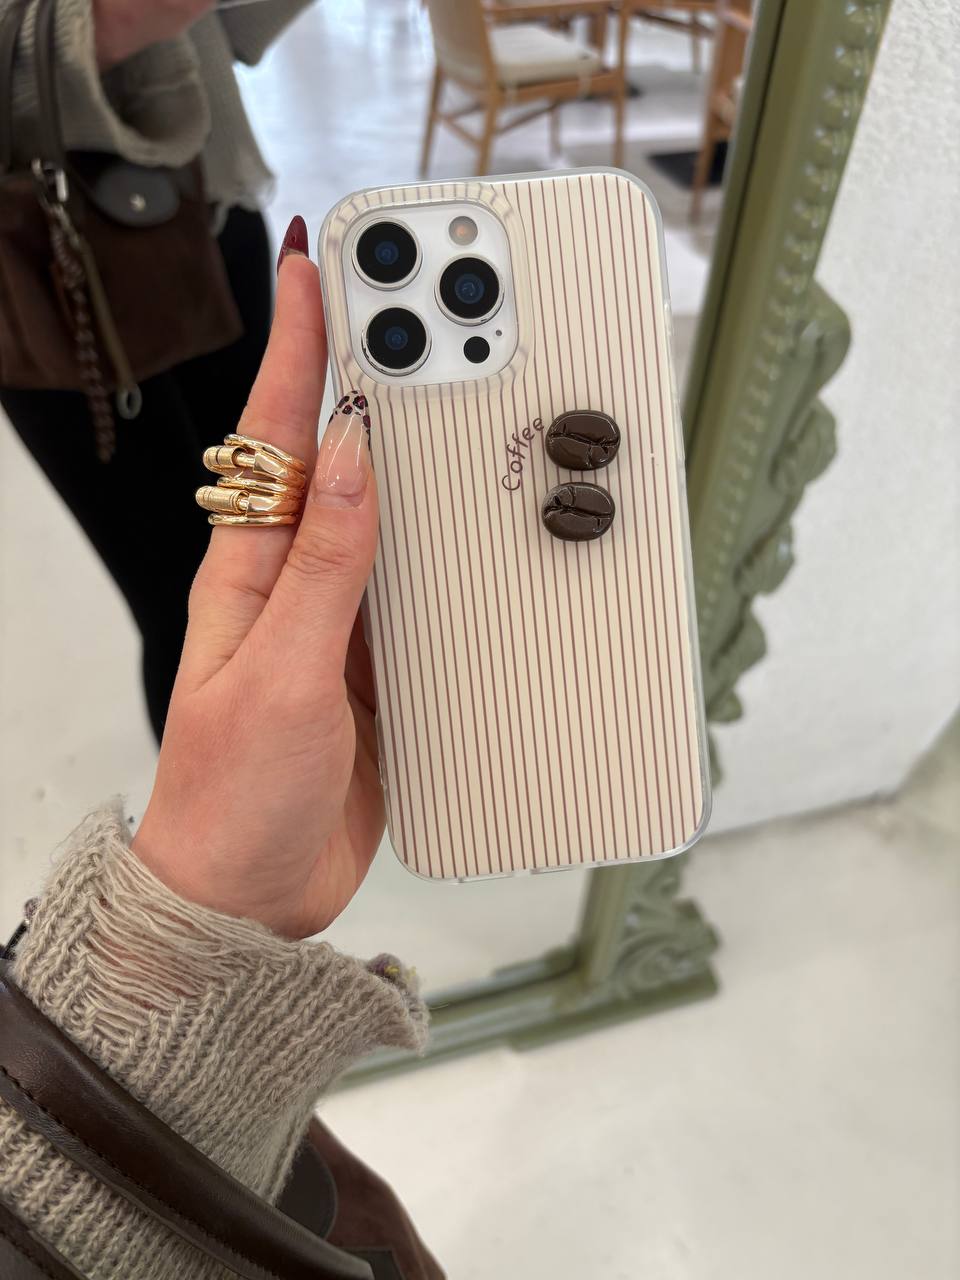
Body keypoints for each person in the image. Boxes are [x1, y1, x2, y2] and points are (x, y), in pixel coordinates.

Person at [0, 224, 442, 1278]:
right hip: (52, 273)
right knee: (209, 587)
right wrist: (171, 948)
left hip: (198, 222)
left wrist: (183, 927)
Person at [1, 0, 312, 741]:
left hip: (211, 209)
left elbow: (234, 33)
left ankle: (283, 769)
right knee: (182, 599)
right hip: (48, 268)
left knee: (264, 552)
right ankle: (214, 808)